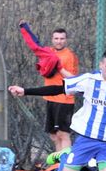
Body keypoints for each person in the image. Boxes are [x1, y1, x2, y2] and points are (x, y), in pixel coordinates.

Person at [19, 20, 79, 152]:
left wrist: (59, 68)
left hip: (64, 99)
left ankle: (65, 162)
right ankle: (58, 162)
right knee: (54, 136)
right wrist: (25, 29)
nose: (59, 41)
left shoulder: (70, 56)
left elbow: (73, 79)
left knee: (63, 134)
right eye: (56, 38)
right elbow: (35, 45)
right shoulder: (49, 53)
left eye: (62, 39)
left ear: (66, 40)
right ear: (52, 39)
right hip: (50, 98)